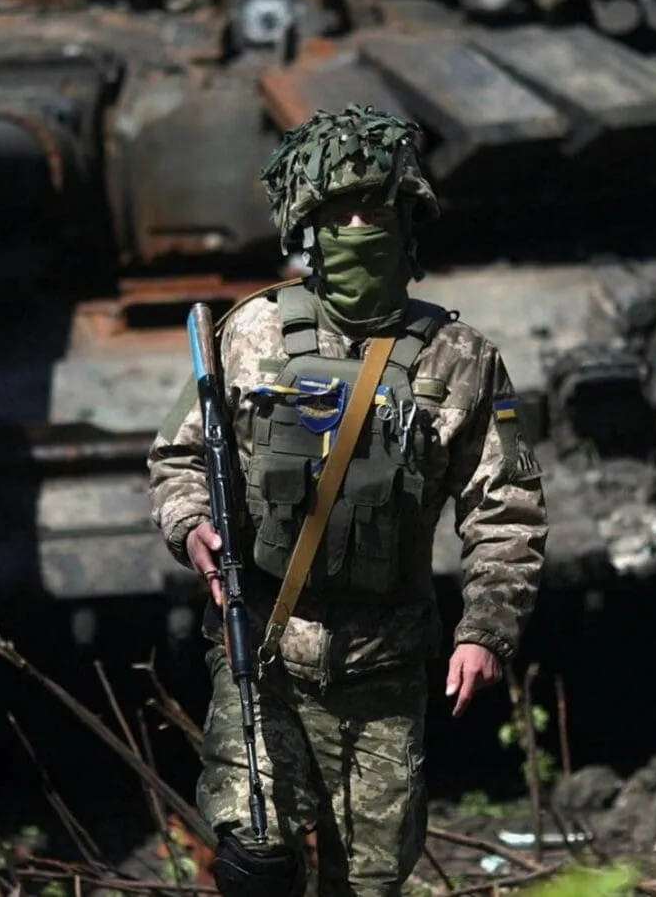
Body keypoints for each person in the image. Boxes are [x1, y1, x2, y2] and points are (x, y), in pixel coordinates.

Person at [146, 104, 550, 896]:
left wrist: (488, 630)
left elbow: (507, 508)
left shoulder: (462, 359)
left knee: (365, 880)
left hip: (386, 665)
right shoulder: (250, 333)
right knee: (254, 858)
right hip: (263, 649)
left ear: (410, 219)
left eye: (376, 209)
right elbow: (181, 453)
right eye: (338, 212)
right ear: (308, 228)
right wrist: (189, 522)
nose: (359, 226)